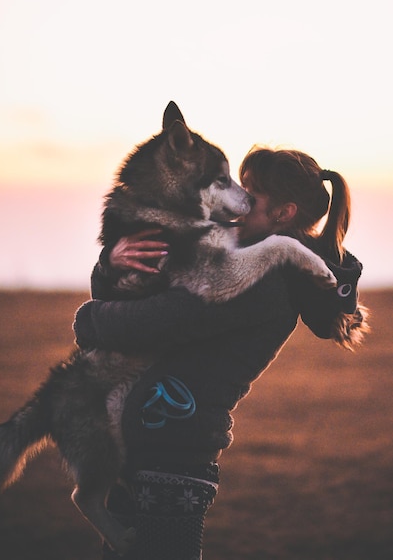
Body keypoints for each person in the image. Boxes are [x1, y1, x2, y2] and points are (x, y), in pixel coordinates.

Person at [73, 145, 368, 560]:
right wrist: (112, 261)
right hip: (150, 445)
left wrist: (88, 320)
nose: (237, 201)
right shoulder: (236, 255)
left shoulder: (264, 279)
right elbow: (143, 289)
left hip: (172, 456)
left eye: (251, 193)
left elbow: (160, 319)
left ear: (283, 214)